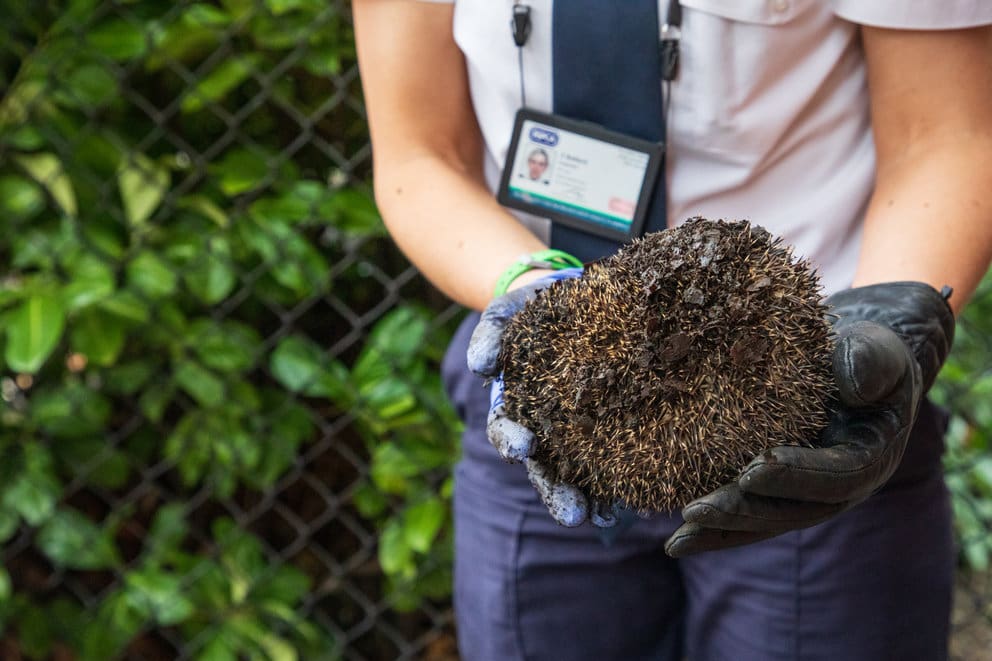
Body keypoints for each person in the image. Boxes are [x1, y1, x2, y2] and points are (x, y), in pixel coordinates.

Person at [353, 2, 992, 659]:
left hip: (812, 402)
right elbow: (420, 155)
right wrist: (531, 290)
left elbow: (944, 137)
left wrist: (886, 321)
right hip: (541, 406)